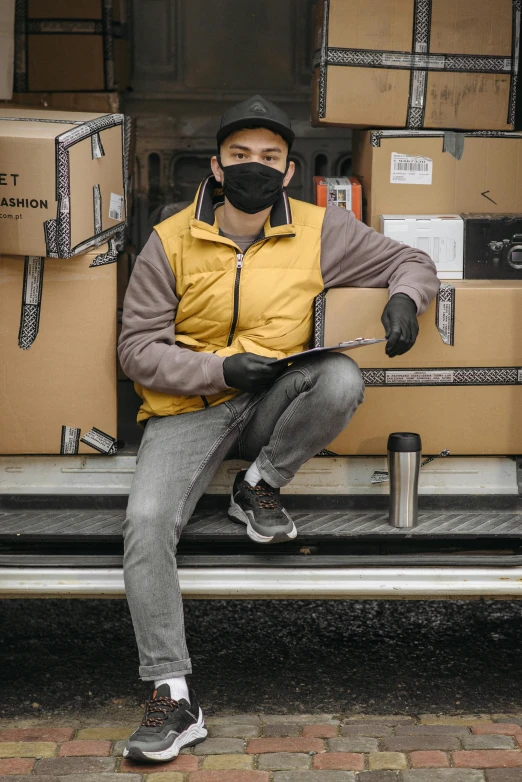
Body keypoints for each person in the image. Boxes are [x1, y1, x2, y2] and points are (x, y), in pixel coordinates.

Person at [117, 94, 439, 763]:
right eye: (240, 157)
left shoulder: (324, 228)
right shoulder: (170, 238)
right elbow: (136, 349)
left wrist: (406, 298)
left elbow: (410, 259)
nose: (254, 169)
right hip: (189, 406)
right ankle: (171, 696)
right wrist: (218, 368)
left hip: (270, 402)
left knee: (342, 376)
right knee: (147, 523)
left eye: (269, 159)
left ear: (288, 171)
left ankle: (259, 485)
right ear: (215, 166)